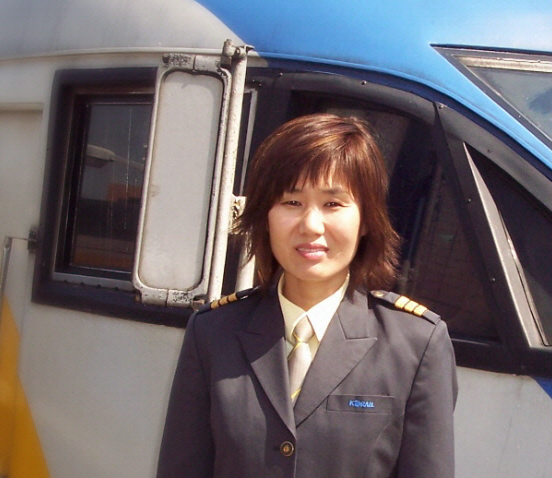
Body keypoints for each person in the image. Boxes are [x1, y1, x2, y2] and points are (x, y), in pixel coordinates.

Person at [157, 113, 458, 478]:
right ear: (265, 217)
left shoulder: (416, 345)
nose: (311, 226)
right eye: (292, 202)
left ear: (366, 220)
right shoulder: (212, 332)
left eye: (333, 204)